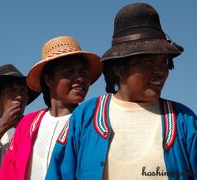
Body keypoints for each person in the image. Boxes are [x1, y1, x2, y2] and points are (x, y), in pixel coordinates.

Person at [46, 3, 197, 180]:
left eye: (164, 62)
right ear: (118, 68)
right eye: (148, 62)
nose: (160, 71)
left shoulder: (184, 120)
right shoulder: (85, 117)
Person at [0, 36, 102, 180]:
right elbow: (9, 171)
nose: (79, 78)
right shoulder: (28, 124)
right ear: (49, 80)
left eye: (83, 72)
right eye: (69, 72)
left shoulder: (93, 122)